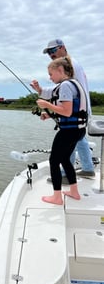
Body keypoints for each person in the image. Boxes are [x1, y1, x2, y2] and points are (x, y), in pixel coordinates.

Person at [30, 56, 87, 205]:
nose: (50, 78)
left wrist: (46, 105)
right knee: (64, 159)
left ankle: (56, 197)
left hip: (69, 132)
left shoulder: (66, 86)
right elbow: (70, 111)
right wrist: (49, 114)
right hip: (78, 130)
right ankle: (74, 192)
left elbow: (67, 112)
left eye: (51, 74)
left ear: (60, 70)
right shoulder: (73, 84)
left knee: (54, 161)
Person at [42, 39, 95, 179]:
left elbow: (63, 90)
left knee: (68, 139)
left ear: (63, 48)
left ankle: (66, 174)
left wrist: (45, 100)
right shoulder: (72, 63)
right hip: (81, 110)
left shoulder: (68, 65)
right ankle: (88, 168)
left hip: (75, 112)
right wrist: (41, 91)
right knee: (79, 138)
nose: (51, 55)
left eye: (53, 51)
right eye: (49, 53)